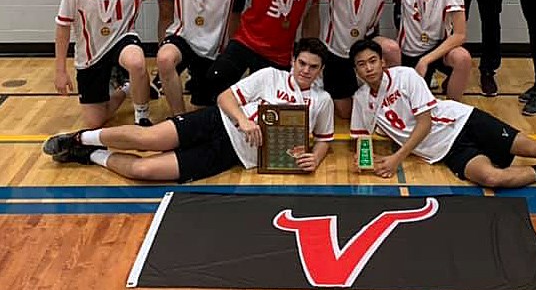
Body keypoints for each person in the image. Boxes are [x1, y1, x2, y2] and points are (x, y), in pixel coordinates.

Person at [348, 39, 536, 188]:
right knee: (491, 179)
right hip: (445, 152)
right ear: (357, 70)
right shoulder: (361, 99)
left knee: (534, 146)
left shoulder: (405, 77)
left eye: (373, 61)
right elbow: (361, 138)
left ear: (383, 62)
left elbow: (424, 122)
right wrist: (367, 165)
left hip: (464, 122)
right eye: (362, 64)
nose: (369, 68)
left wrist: (397, 157)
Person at [42, 38, 334, 183]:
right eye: (302, 63)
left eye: (313, 67)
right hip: (216, 122)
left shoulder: (322, 101)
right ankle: (80, 138)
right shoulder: (271, 75)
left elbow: (324, 139)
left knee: (146, 170)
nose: (306, 71)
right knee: (148, 139)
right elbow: (225, 97)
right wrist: (243, 120)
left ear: (321, 70)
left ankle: (90, 155)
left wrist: (315, 159)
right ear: (293, 60)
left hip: (232, 154)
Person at [54, 0, 166, 128]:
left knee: (137, 62)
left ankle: (142, 115)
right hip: (91, 56)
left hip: (122, 39)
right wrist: (60, 71)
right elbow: (63, 27)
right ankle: (126, 87)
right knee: (94, 122)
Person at [312, 0, 404, 119]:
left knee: (391, 49)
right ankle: (358, 92)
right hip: (335, 51)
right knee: (346, 114)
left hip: (364, 48)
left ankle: (392, 99)